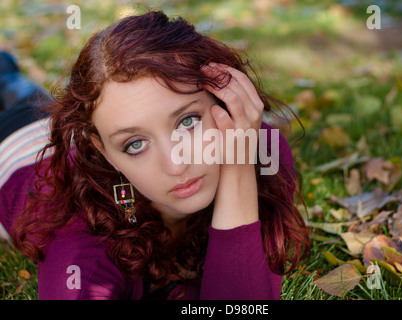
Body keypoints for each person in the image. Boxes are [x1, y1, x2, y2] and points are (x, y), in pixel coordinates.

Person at [0, 10, 309, 300]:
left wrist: (238, 168)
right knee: (18, 97)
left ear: (222, 100)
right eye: (135, 144)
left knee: (23, 91)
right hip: (14, 147)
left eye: (188, 121)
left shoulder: (262, 149)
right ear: (101, 150)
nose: (176, 165)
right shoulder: (82, 241)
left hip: (81, 125)